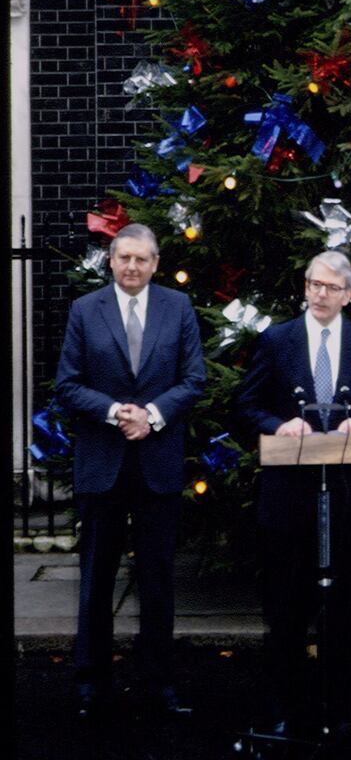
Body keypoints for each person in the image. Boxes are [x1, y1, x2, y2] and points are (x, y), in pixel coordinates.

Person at [55, 222, 206, 719]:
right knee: (96, 577)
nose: (132, 267)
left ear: (156, 263)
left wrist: (153, 415)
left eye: (142, 259)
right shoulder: (85, 310)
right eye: (124, 258)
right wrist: (116, 411)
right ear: (111, 260)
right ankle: (90, 681)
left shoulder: (178, 308)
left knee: (158, 577)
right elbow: (68, 384)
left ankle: (159, 682)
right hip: (103, 463)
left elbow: (193, 379)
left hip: (157, 464)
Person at [236, 250, 351, 735]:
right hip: (289, 495)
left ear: (349, 294)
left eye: (331, 287)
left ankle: (340, 708)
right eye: (313, 284)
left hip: (344, 494)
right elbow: (247, 403)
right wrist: (280, 424)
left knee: (341, 606)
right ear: (304, 287)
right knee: (286, 607)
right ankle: (284, 706)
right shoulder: (277, 340)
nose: (320, 294)